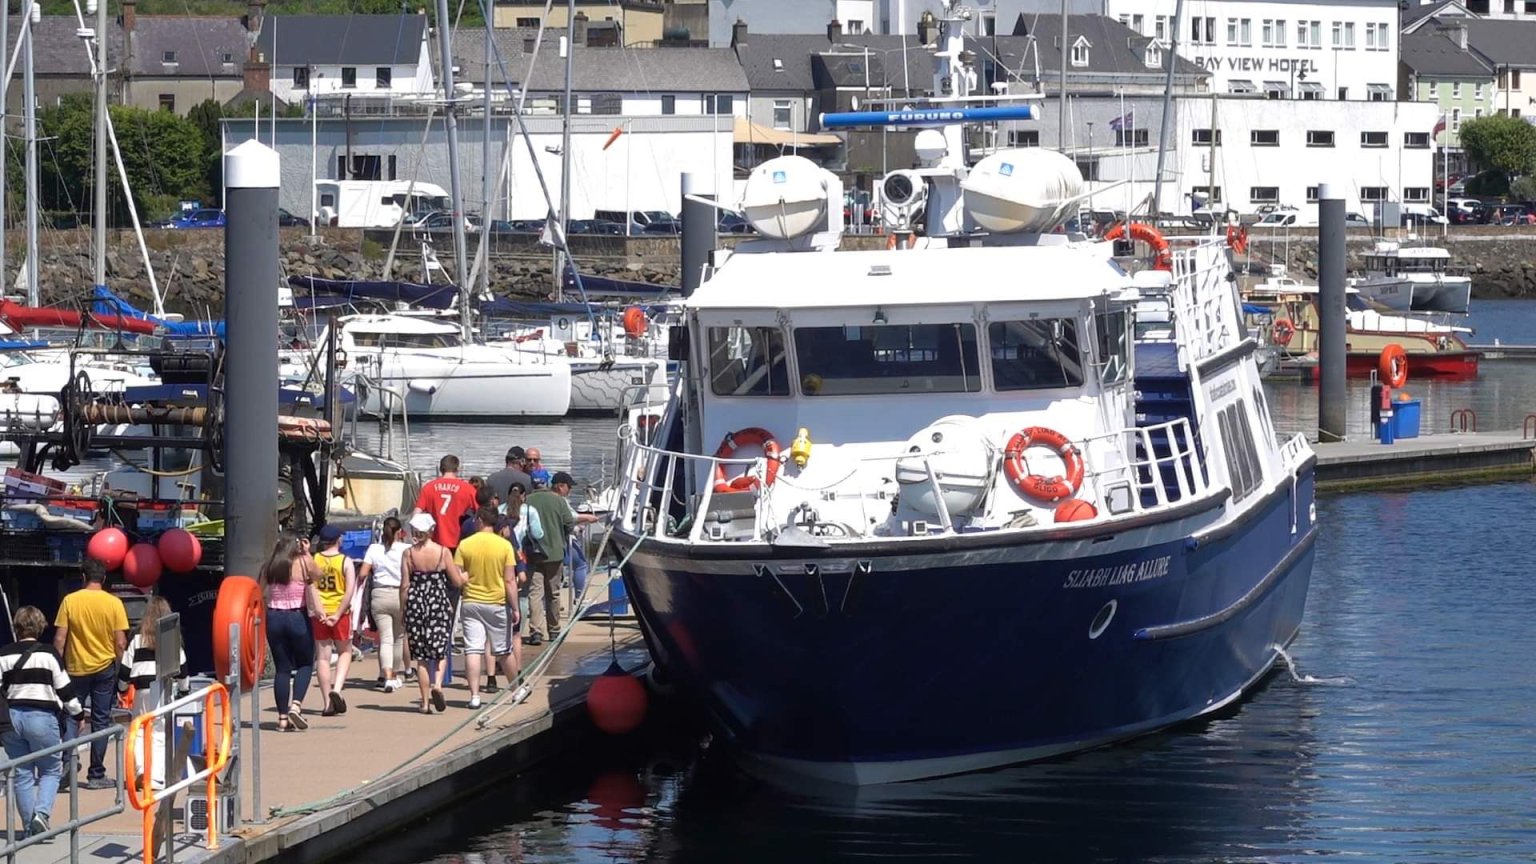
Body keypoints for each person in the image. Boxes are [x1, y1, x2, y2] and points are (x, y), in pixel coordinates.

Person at [2, 606, 84, 837]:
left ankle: (30, 828)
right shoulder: (48, 654)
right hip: (41, 717)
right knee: (50, 769)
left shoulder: (3, 654)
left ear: (17, 628)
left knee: (22, 773)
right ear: (40, 627)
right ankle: (42, 814)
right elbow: (65, 689)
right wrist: (78, 714)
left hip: (11, 719)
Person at [52, 558, 127, 789]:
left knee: (72, 717)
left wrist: (57, 667)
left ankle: (68, 764)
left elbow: (60, 639)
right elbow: (121, 642)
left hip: (74, 668)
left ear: (83, 577)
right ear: (103, 579)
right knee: (101, 719)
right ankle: (96, 774)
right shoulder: (114, 603)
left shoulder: (70, 601)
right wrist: (118, 666)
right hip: (104, 668)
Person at [454, 507, 520, 709]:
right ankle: (516, 690)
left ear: (481, 520)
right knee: (503, 650)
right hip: (496, 602)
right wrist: (515, 607)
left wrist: (464, 580)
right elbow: (509, 580)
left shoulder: (465, 544)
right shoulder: (504, 546)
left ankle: (474, 696)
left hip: (471, 601)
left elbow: (458, 577)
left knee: (473, 649)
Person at [522, 471, 598, 645]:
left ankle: (535, 631)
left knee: (535, 593)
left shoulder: (526, 501)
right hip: (555, 553)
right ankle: (554, 629)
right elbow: (569, 524)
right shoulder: (558, 501)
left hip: (533, 553)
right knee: (553, 593)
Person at [401, 513, 465, 714]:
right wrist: (466, 576)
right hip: (437, 600)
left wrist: (404, 608)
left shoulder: (409, 554)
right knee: (440, 648)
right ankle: (437, 684)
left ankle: (425, 702)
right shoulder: (443, 552)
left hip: (416, 601)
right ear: (431, 530)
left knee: (421, 656)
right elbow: (455, 581)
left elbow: (404, 585)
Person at [263, 534, 319, 731]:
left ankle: (282, 719)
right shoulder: (303, 562)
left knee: (282, 668)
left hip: (274, 617)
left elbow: (261, 590)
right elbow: (318, 575)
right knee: (305, 664)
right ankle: (296, 705)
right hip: (297, 616)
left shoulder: (270, 565)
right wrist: (307, 552)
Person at [311, 524, 358, 717]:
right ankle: (337, 689)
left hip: (320, 613)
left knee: (322, 657)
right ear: (338, 539)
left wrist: (319, 610)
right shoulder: (345, 561)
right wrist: (338, 614)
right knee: (345, 651)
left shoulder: (315, 560)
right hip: (340, 612)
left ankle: (326, 703)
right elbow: (349, 590)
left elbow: (310, 586)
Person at [360, 517, 410, 692]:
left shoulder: (374, 549)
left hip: (379, 594)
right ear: (399, 533)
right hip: (400, 594)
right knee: (398, 638)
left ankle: (385, 675)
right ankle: (394, 675)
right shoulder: (406, 549)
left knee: (385, 638)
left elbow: (363, 573)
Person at [116, 596, 188, 715]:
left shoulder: (137, 639)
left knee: (140, 728)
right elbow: (183, 672)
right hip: (165, 689)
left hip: (142, 690)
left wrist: (122, 689)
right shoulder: (171, 639)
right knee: (161, 729)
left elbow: (125, 670)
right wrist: (184, 691)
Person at [413, 455, 479, 551]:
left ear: (440, 469)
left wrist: (417, 534)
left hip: (435, 542)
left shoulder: (428, 487)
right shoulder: (468, 489)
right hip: (459, 542)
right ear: (457, 469)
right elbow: (481, 512)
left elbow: (416, 513)